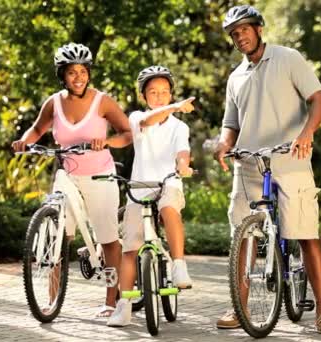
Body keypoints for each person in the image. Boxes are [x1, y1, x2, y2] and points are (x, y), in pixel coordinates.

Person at [213, 5, 321, 334]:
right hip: (249, 162)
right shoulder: (235, 77)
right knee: (242, 235)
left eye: (244, 29)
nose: (239, 36)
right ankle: (238, 306)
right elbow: (230, 125)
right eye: (234, 33)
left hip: (291, 158)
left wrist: (306, 134)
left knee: (306, 234)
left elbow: (318, 98)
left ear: (258, 29)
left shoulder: (288, 58)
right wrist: (224, 144)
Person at [11, 42, 132, 318]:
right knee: (55, 236)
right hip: (67, 175)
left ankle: (112, 302)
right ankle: (53, 300)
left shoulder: (103, 101)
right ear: (62, 75)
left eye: (83, 71)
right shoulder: (53, 103)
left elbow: (127, 132)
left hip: (100, 175)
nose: (78, 77)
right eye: (71, 72)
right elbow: (38, 128)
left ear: (89, 72)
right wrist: (24, 142)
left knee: (108, 238)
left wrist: (107, 142)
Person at [107, 65, 195, 327]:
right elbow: (150, 120)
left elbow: (183, 153)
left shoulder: (179, 127)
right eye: (153, 92)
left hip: (168, 182)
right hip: (140, 186)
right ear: (144, 97)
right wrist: (176, 106)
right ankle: (123, 305)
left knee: (169, 206)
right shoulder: (136, 118)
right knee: (130, 247)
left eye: (165, 92)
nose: (160, 97)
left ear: (170, 94)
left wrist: (183, 165)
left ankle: (178, 264)